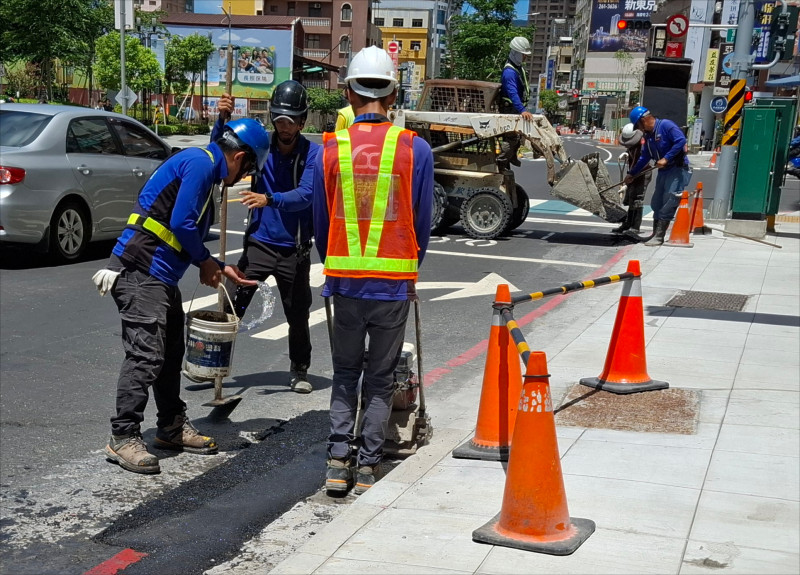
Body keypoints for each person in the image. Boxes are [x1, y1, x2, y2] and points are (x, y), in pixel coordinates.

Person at [98, 119, 269, 475]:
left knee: (171, 352)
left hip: (158, 275)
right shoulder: (202, 165)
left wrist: (219, 266)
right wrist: (206, 263)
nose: (245, 175)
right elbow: (181, 224)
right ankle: (123, 436)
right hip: (140, 271)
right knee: (146, 355)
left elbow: (179, 234)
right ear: (239, 157)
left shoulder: (204, 164)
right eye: (249, 166)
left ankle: (171, 426)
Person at [313, 45, 434, 495]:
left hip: (344, 281)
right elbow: (421, 222)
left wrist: (336, 260)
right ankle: (367, 467)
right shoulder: (414, 149)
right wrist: (407, 267)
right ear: (393, 93)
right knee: (381, 378)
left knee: (345, 373)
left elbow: (321, 220)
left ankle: (337, 462)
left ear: (348, 91)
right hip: (392, 285)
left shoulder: (328, 148)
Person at [211, 81, 319, 394]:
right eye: (279, 119)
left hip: (294, 249)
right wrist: (222, 120)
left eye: (290, 120)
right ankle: (213, 365)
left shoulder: (312, 154)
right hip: (259, 243)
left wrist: (269, 199)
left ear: (301, 121)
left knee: (297, 314)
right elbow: (221, 153)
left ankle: (299, 369)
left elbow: (307, 195)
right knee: (233, 304)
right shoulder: (260, 145)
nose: (283, 127)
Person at [624, 106, 692, 246]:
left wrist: (666, 158)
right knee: (657, 202)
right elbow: (645, 157)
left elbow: (681, 141)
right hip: (664, 171)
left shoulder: (666, 125)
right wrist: (633, 174)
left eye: (638, 125)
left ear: (644, 120)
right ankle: (655, 234)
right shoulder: (648, 136)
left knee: (669, 201)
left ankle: (659, 236)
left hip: (677, 169)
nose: (639, 129)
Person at [497, 36, 533, 172]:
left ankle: (509, 158)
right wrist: (522, 110)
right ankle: (501, 162)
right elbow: (513, 93)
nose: (525, 58)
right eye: (524, 55)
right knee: (511, 138)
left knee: (517, 137)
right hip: (509, 109)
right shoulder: (509, 72)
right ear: (516, 53)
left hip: (514, 109)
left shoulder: (518, 69)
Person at [614, 122, 652, 240]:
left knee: (637, 199)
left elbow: (641, 161)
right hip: (633, 173)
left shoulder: (642, 145)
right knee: (630, 198)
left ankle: (635, 226)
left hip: (643, 173)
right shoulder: (632, 146)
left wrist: (632, 175)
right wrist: (626, 154)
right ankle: (628, 223)